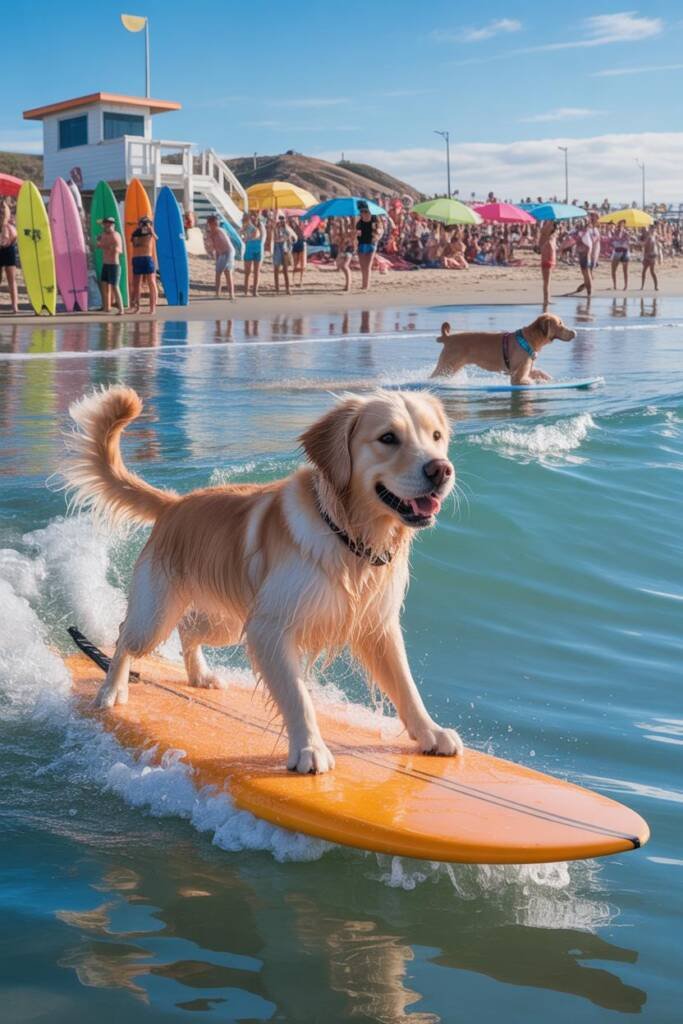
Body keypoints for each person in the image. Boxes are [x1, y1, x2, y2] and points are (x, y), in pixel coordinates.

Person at [130, 215, 158, 314]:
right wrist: (138, 232)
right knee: (136, 284)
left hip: (147, 258)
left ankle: (152, 307)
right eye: (143, 224)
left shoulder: (151, 233)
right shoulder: (136, 233)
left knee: (151, 282)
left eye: (147, 224)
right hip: (137, 258)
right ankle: (137, 307)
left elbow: (156, 238)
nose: (145, 227)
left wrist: (151, 230)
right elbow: (135, 244)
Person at [96, 216, 124, 314]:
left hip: (114, 265)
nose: (108, 225)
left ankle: (121, 310)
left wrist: (114, 249)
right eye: (106, 223)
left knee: (115, 287)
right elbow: (98, 245)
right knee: (104, 285)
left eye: (110, 224)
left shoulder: (116, 235)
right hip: (105, 264)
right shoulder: (103, 235)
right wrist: (100, 241)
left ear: (113, 225)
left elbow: (120, 250)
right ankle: (107, 307)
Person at [204, 214, 235, 299]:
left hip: (228, 252)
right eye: (212, 223)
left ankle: (227, 294)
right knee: (222, 273)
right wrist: (216, 256)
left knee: (224, 272)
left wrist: (208, 236)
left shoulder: (218, 230)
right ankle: (222, 294)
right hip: (222, 253)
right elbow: (214, 247)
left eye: (215, 222)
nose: (215, 224)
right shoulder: (213, 232)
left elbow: (212, 235)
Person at [356, 201, 382, 291]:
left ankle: (366, 285)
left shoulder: (374, 220)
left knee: (367, 266)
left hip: (371, 244)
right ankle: (364, 284)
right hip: (361, 244)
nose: (363, 213)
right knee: (362, 266)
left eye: (366, 211)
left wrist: (377, 235)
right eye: (361, 211)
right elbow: (358, 234)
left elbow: (379, 232)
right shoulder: (359, 222)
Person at [0, 199, 19, 312]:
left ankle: (14, 306)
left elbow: (14, 235)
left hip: (8, 248)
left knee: (11, 279)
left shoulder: (6, 208)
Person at [272, 214, 296, 295]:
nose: (281, 220)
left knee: (285, 270)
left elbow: (294, 238)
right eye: (280, 219)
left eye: (282, 219)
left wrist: (287, 236)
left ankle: (287, 288)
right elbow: (274, 239)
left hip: (285, 249)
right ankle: (277, 288)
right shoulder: (275, 228)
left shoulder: (287, 228)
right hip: (277, 248)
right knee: (276, 269)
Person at [241, 212, 264, 297]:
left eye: (255, 216)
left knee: (256, 272)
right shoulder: (247, 226)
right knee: (247, 271)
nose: (253, 218)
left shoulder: (260, 226)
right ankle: (246, 291)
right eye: (252, 217)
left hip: (258, 249)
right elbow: (241, 233)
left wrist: (247, 238)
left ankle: (255, 291)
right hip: (249, 249)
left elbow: (259, 236)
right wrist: (244, 238)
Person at [538, 220, 558, 307]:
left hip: (551, 260)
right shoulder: (544, 236)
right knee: (547, 282)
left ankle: (547, 299)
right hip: (546, 260)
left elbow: (555, 230)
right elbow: (543, 230)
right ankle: (546, 299)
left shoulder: (553, 236)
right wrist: (550, 220)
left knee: (548, 281)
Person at [335, 217, 355, 291]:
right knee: (341, 265)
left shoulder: (352, 230)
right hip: (343, 248)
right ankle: (348, 284)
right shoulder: (341, 230)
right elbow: (338, 240)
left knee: (345, 266)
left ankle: (348, 285)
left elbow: (352, 240)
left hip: (349, 249)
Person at [610, 220, 631, 290]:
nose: (620, 225)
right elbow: (612, 241)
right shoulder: (615, 232)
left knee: (625, 271)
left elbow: (627, 242)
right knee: (613, 270)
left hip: (624, 252)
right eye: (619, 224)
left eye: (622, 224)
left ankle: (626, 286)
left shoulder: (626, 233)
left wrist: (626, 235)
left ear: (624, 225)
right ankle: (615, 285)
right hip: (617, 251)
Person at [641, 224, 660, 291]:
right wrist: (644, 257)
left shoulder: (654, 236)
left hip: (652, 256)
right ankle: (642, 286)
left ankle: (656, 286)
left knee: (652, 272)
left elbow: (655, 246)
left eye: (653, 229)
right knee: (644, 271)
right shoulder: (648, 237)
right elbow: (645, 248)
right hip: (647, 256)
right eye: (651, 229)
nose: (652, 230)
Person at [290, 217, 307, 287]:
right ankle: (293, 280)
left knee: (302, 264)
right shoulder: (291, 226)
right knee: (295, 263)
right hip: (295, 244)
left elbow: (305, 235)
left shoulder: (302, 225)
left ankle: (300, 280)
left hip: (301, 243)